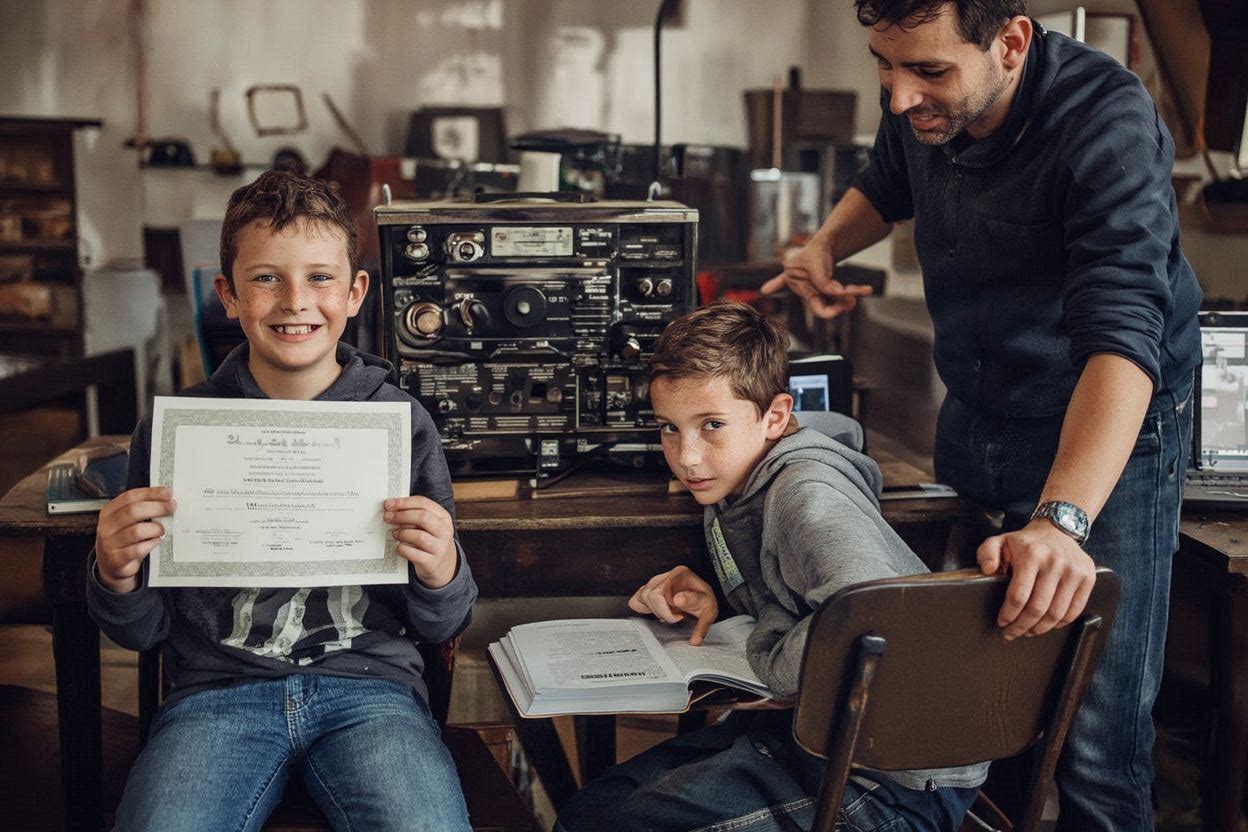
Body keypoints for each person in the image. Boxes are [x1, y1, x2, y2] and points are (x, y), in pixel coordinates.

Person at [764, 2, 1201, 829]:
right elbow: (886, 183)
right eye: (883, 64)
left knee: (1094, 734)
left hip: (1107, 424)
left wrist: (1061, 522)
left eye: (928, 71)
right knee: (974, 702)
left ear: (1011, 42)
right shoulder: (922, 96)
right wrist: (823, 245)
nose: (899, 95)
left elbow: (1122, 344)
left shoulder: (1105, 122)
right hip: (978, 402)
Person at [87, 171, 477, 831]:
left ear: (355, 293)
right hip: (215, 695)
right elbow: (141, 631)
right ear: (229, 295)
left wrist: (443, 570)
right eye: (267, 278)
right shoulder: (178, 431)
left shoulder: (402, 425)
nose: (296, 301)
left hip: (372, 696)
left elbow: (445, 622)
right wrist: (115, 573)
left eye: (320, 277)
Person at [555, 301, 989, 832]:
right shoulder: (733, 476)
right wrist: (720, 595)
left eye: (712, 425)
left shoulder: (806, 493)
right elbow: (795, 590)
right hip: (810, 737)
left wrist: (770, 658)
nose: (687, 456)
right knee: (587, 812)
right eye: (669, 428)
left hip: (891, 780)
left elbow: (875, 615)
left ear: (776, 417)